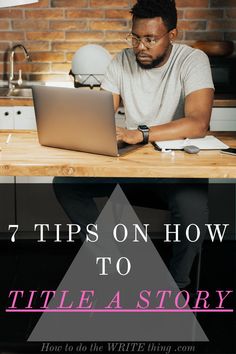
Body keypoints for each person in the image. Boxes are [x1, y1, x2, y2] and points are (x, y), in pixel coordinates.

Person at [54, 0, 214, 289]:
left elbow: (198, 123)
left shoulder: (193, 60)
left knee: (192, 212)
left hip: (177, 172)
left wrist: (138, 133)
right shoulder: (121, 61)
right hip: (132, 168)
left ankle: (177, 284)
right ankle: (117, 261)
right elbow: (100, 118)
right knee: (66, 184)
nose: (141, 46)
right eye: (135, 37)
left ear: (172, 36)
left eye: (150, 39)